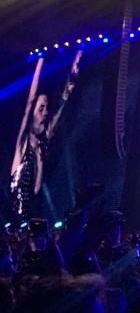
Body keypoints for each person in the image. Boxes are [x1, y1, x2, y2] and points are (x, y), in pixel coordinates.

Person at [10, 51, 82, 219]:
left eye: (46, 108)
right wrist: (40, 63)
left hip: (35, 209)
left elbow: (61, 105)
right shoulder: (23, 143)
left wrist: (74, 71)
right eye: (40, 109)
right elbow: (30, 101)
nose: (45, 113)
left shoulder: (44, 140)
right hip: (16, 211)